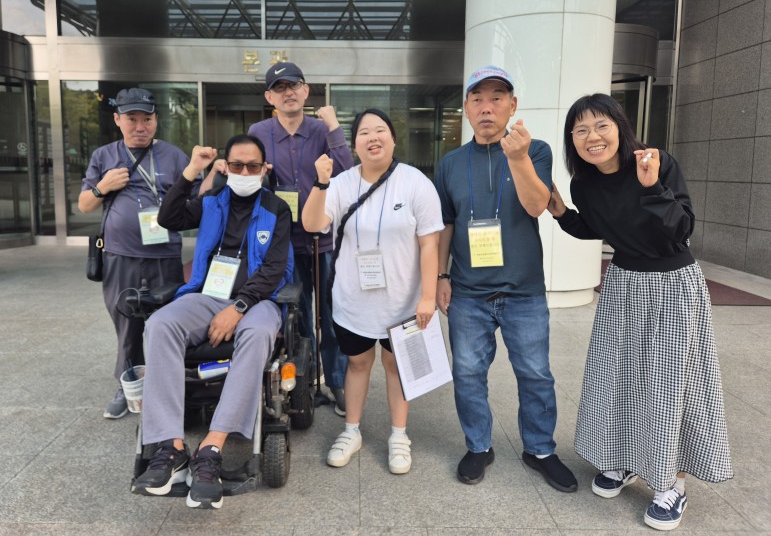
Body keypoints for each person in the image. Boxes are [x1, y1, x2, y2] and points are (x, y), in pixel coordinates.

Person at [547, 93, 733, 531]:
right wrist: (560, 211)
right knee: (618, 375)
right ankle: (625, 459)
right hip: (623, 284)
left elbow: (682, 228)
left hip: (672, 284)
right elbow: (596, 227)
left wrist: (652, 187)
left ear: (620, 127)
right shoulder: (584, 184)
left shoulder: (656, 162)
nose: (592, 136)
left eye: (602, 125)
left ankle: (672, 484)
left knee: (672, 384)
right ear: (572, 140)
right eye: (581, 129)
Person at [434, 65, 577, 492]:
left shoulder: (536, 151)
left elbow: (536, 205)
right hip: (468, 293)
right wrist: (441, 275)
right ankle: (478, 445)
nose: (487, 107)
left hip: (523, 291)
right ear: (466, 109)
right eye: (477, 99)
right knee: (467, 373)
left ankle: (540, 449)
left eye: (496, 98)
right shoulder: (450, 164)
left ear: (512, 106)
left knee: (535, 374)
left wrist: (518, 157)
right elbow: (446, 224)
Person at [131, 134, 293, 510]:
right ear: (226, 167)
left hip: (259, 301)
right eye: (237, 165)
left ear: (264, 169)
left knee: (257, 334)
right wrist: (192, 170)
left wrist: (239, 306)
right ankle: (172, 447)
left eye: (253, 166)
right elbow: (168, 218)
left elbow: (274, 269)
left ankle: (212, 447)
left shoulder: (277, 209)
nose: (245, 172)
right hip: (207, 295)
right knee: (160, 324)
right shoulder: (211, 201)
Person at [302, 108, 443, 475]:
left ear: (393, 140)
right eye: (364, 133)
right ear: (355, 145)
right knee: (357, 363)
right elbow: (313, 224)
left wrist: (428, 297)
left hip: (403, 301)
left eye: (380, 130)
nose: (372, 137)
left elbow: (430, 244)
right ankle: (351, 431)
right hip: (354, 301)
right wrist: (320, 183)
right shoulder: (341, 183)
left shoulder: (416, 183)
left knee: (397, 367)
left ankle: (399, 435)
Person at [213, 61, 353, 414]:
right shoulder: (258, 131)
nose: (288, 92)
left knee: (332, 315)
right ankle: (304, 381)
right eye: (280, 88)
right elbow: (247, 174)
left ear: (306, 91)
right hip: (280, 242)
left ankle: (337, 382)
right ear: (269, 97)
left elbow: (347, 171)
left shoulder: (322, 129)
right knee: (297, 315)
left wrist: (334, 125)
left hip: (322, 240)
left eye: (294, 85)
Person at [79, 88, 195, 420]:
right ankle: (127, 385)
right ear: (118, 120)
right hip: (120, 255)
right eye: (132, 119)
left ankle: (169, 386)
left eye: (147, 119)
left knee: (167, 323)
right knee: (127, 325)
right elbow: (85, 204)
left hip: (164, 256)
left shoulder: (174, 156)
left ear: (156, 120)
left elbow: (197, 198)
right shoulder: (104, 156)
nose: (140, 126)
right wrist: (103, 186)